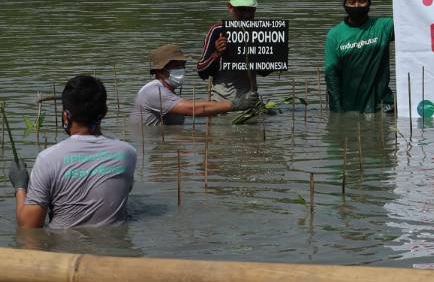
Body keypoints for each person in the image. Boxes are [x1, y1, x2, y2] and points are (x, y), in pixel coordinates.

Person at [7, 75, 137, 229]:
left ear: (66, 116)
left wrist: (20, 186)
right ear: (105, 112)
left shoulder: (48, 159)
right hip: (115, 250)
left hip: (64, 249)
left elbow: (29, 225)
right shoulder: (127, 153)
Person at [133, 44, 258, 126]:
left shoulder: (168, 91)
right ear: (160, 71)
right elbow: (193, 109)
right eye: (176, 67)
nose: (181, 70)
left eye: (183, 65)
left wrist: (218, 112)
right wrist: (235, 104)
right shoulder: (154, 92)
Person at [324, 0, 394, 113]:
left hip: (383, 106)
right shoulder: (335, 35)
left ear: (369, 3)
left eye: (362, 1)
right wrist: (337, 112)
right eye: (351, 2)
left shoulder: (384, 26)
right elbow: (331, 75)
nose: (357, 5)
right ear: (344, 4)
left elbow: (410, 20)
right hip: (350, 108)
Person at [197, 0, 269, 103]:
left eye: (250, 9)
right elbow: (201, 71)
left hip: (250, 101)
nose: (246, 14)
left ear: (255, 9)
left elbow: (264, 71)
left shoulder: (260, 33)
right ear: (230, 7)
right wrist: (217, 54)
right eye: (241, 9)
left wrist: (276, 54)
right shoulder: (218, 31)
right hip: (220, 102)